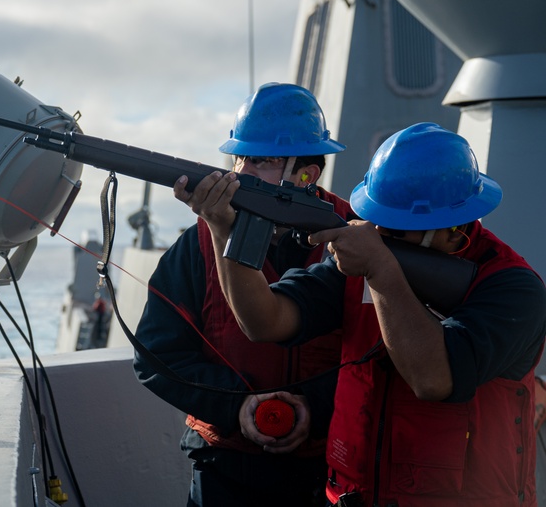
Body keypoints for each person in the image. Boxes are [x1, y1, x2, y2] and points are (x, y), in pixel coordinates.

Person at [178, 122, 546, 506]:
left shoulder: (513, 289)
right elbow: (264, 321)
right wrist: (224, 230)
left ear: (455, 231)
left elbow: (434, 379)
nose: (378, 234)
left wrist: (382, 272)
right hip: (351, 495)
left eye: (396, 230)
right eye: (377, 220)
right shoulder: (367, 261)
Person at [134, 82, 354, 507]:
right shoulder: (198, 244)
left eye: (261, 161)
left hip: (332, 467)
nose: (240, 173)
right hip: (224, 467)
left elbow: (379, 357)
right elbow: (157, 355)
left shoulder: (355, 240)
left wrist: (315, 407)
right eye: (238, 158)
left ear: (306, 175)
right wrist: (237, 406)